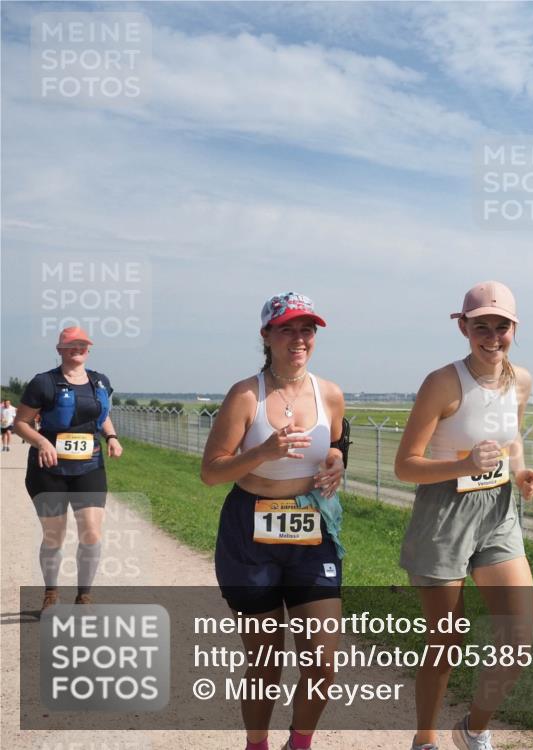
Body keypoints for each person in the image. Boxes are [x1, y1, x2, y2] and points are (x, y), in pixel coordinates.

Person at [395, 281, 533, 750]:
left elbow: (511, 436)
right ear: (463, 327)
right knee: (446, 645)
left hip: (498, 511)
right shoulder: (442, 382)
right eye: (482, 326)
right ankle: (425, 739)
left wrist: (519, 473)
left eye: (502, 326)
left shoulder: (521, 380)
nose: (492, 336)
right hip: (444, 515)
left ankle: (474, 729)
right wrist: (463, 465)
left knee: (519, 638)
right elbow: (404, 466)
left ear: (514, 329)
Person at [201, 292, 349, 750]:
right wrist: (262, 452)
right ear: (266, 335)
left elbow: (341, 439)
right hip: (251, 530)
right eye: (287, 328)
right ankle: (256, 744)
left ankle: (299, 743)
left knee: (323, 661)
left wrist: (339, 459)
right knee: (265, 662)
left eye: (307, 329)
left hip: (311, 527)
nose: (299, 338)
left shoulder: (330, 393)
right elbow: (211, 471)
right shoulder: (246, 395)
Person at [12, 327, 123, 610]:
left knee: (92, 533)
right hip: (49, 470)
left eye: (83, 344)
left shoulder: (100, 381)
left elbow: (103, 415)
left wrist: (111, 437)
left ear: (89, 349)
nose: (78, 348)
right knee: (55, 535)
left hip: (90, 466)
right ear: (60, 349)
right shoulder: (44, 382)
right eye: (71, 345)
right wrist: (41, 442)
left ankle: (84, 596)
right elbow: (20, 423)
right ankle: (51, 592)